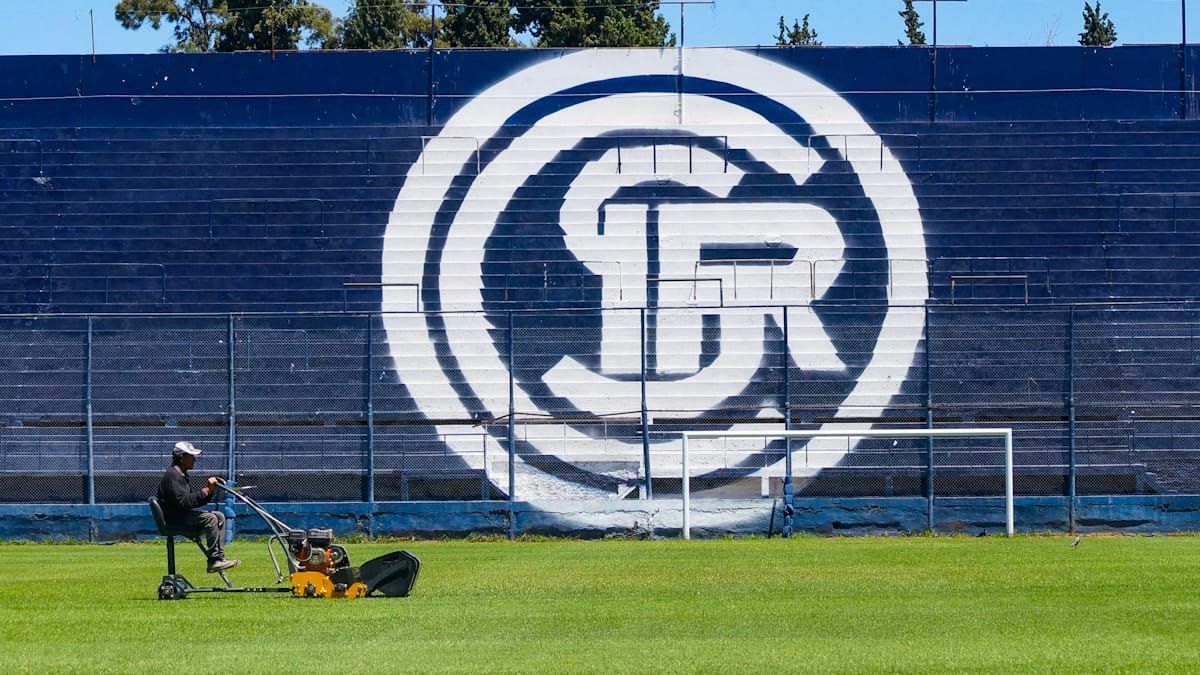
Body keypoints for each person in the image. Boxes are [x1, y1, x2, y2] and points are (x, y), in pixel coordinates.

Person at [156, 441, 240, 573]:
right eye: (191, 456)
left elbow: (194, 501)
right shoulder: (173, 476)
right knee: (211, 519)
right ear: (182, 457)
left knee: (219, 516)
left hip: (181, 514)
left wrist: (210, 491)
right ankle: (214, 560)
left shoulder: (180, 475)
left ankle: (219, 557)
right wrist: (206, 490)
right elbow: (184, 502)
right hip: (175, 518)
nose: (195, 459)